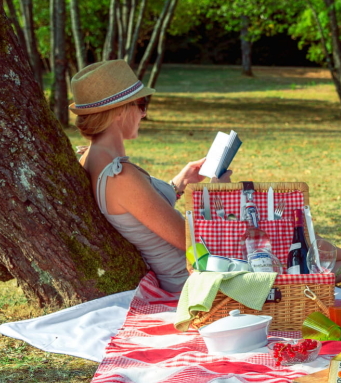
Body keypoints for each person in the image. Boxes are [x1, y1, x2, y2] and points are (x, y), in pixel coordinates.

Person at [69, 60, 231, 292]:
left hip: (193, 275)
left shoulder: (91, 159)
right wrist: (216, 194)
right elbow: (195, 245)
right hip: (196, 282)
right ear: (119, 111)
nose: (143, 114)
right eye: (141, 104)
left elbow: (141, 212)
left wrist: (180, 183)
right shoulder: (121, 177)